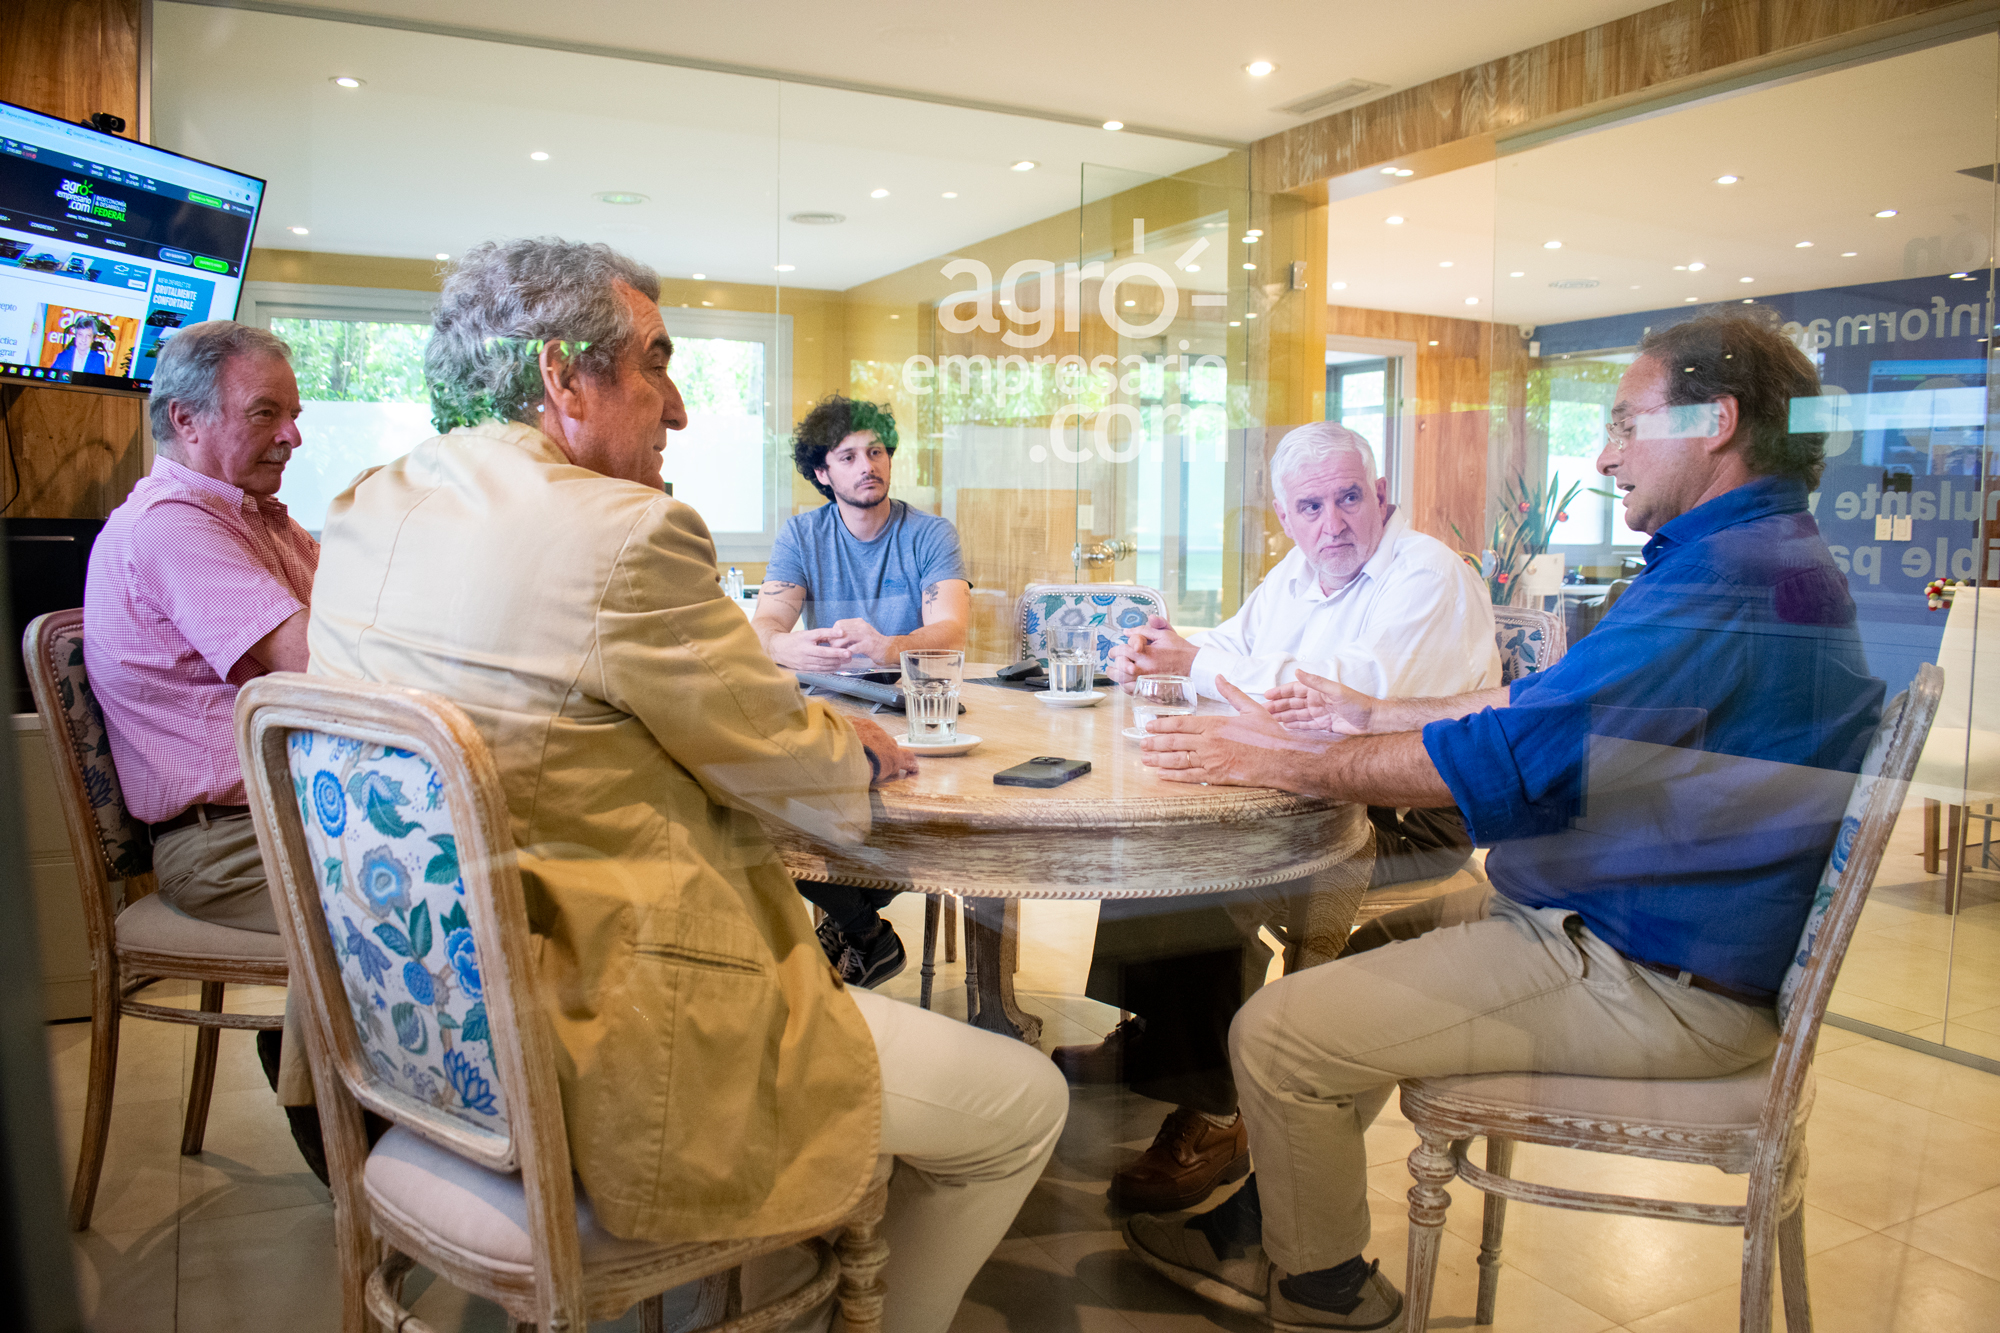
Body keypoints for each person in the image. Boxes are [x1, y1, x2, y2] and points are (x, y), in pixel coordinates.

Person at [308, 238, 1066, 1333]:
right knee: (1019, 1105)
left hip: (416, 1028)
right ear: (565, 376)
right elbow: (787, 767)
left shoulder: (368, 507)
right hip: (599, 1037)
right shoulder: (622, 532)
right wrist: (846, 743)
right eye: (656, 364)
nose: (676, 410)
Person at [1121, 311, 1883, 1331]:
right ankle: (1276, 1206)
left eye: (1623, 422)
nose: (1606, 453)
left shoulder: (1725, 582)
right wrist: (1374, 716)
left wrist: (1294, 760)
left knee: (1274, 1032)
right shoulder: (1751, 557)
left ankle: (1323, 1290)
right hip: (1627, 917)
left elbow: (1515, 760)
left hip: (1647, 970)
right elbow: (1543, 711)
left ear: (1714, 421)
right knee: (1357, 959)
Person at [1067, 423, 1499, 1216]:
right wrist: (1169, 655)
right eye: (1311, 506)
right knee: (1159, 827)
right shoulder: (1296, 576)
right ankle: (1162, 1037)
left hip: (1412, 810)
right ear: (1285, 516)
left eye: (1348, 498)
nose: (1332, 523)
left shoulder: (1428, 575)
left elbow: (1343, 702)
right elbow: (1226, 654)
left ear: (1382, 498)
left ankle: (1217, 1111)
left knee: (1213, 862)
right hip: (1315, 785)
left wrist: (1198, 664)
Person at [82, 318, 327, 1173]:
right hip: (224, 844)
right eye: (266, 413)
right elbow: (321, 659)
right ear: (185, 420)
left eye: (292, 413)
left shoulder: (258, 518)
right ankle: (357, 1149)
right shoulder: (172, 528)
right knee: (457, 903)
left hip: (287, 818)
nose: (292, 434)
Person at [753, 395, 973, 985]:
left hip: (915, 705)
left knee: (897, 811)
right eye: (847, 456)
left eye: (875, 451)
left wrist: (887, 646)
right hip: (831, 706)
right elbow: (764, 628)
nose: (866, 465)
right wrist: (785, 648)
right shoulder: (802, 534)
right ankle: (865, 931)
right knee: (760, 797)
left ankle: (854, 927)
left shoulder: (929, 533)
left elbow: (952, 628)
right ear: (823, 473)